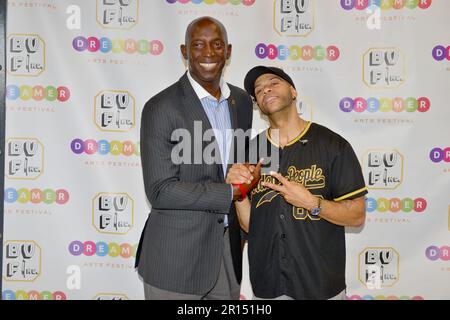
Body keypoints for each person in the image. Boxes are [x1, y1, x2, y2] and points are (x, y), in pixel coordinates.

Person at [134, 17, 253, 300]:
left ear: (229, 51)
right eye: (198, 45)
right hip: (175, 258)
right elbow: (160, 190)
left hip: (228, 255)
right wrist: (231, 192)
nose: (208, 53)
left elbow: (235, 165)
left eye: (216, 44)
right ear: (184, 52)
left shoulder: (242, 101)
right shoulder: (160, 107)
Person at [226, 66, 368, 300]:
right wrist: (238, 193)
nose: (266, 89)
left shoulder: (333, 145)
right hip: (269, 286)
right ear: (258, 105)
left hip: (321, 286)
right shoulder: (250, 151)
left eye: (273, 82)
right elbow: (253, 226)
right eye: (259, 90)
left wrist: (313, 203)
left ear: (293, 91)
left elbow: (357, 215)